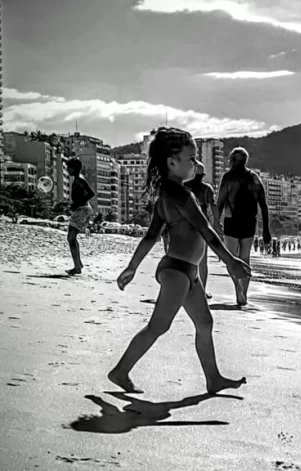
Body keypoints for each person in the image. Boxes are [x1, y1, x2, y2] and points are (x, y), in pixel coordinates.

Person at [109, 127, 250, 394]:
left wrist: (132, 267)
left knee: (204, 323)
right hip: (177, 272)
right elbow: (206, 231)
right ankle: (120, 371)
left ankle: (213, 378)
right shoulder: (181, 196)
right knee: (158, 326)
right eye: (191, 158)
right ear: (172, 162)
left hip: (187, 271)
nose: (196, 163)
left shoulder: (167, 194)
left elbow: (151, 236)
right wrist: (230, 261)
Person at [217, 147, 271, 307]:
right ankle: (244, 294)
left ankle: (238, 287)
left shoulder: (228, 177)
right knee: (245, 258)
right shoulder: (255, 178)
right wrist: (266, 230)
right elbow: (264, 206)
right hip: (249, 223)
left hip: (231, 222)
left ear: (233, 161)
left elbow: (220, 203)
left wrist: (214, 224)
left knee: (231, 259)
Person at [184, 161, 221, 299]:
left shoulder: (184, 187)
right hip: (202, 224)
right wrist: (216, 224)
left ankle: (185, 289)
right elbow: (214, 207)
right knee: (202, 261)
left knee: (186, 258)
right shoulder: (207, 189)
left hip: (186, 223)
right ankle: (201, 291)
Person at [66, 158, 96, 275]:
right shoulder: (77, 179)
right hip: (82, 209)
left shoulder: (79, 180)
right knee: (72, 238)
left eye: (69, 167)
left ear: (75, 168)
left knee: (71, 238)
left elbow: (91, 193)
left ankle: (77, 267)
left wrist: (77, 203)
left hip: (82, 209)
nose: (67, 169)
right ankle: (78, 264)